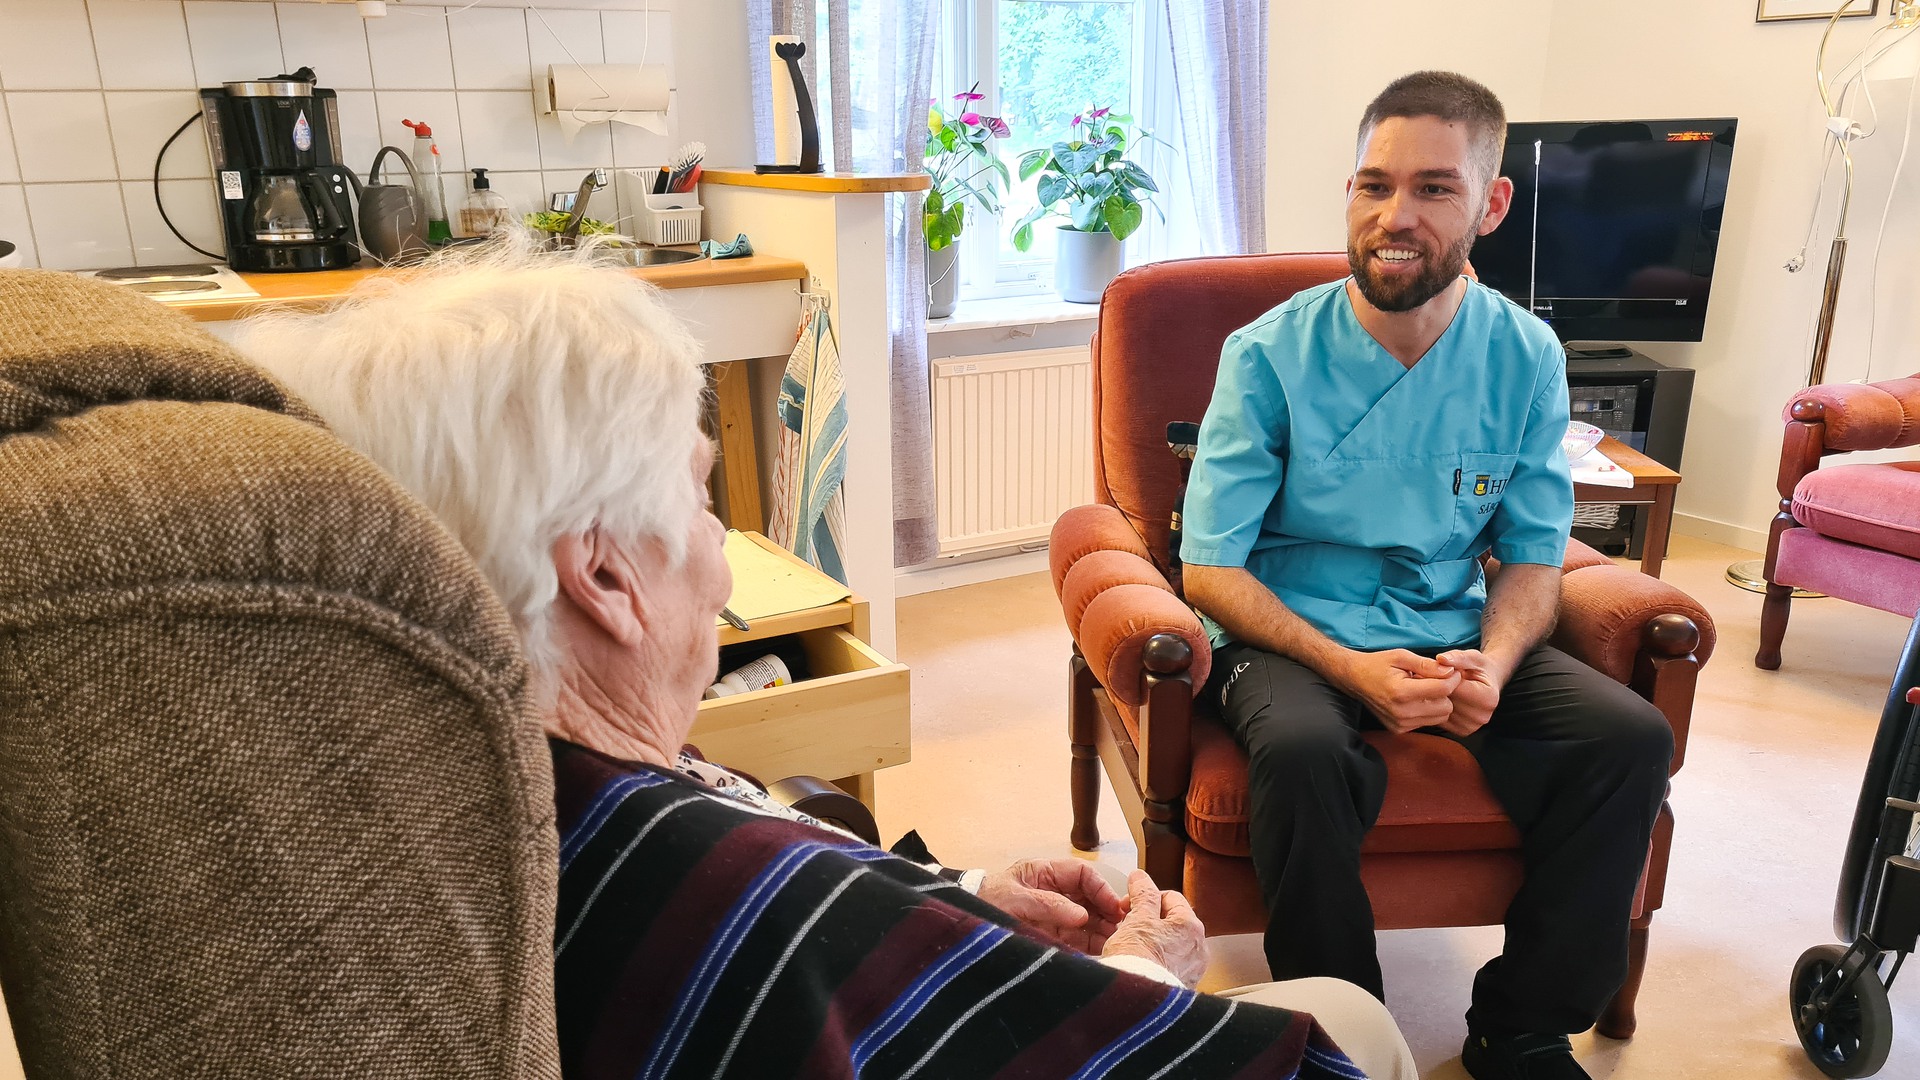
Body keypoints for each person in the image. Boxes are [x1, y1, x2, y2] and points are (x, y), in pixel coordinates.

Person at [233, 234, 1417, 1079]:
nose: (726, 551)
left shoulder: (446, 782)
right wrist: (1149, 970)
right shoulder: (729, 899)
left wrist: (963, 900)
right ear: (600, 577)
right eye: (703, 504)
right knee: (1351, 1035)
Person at [1178, 72, 1674, 1080]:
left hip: (1450, 619)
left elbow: (1535, 558)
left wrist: (1492, 662)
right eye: (1372, 186)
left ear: (1491, 205)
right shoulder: (1268, 354)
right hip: (1290, 628)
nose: (1393, 218)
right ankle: (1342, 1033)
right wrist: (1353, 672)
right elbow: (1208, 567)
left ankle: (1522, 1027)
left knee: (1629, 738)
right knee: (1307, 755)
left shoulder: (1525, 355)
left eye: (1434, 189)